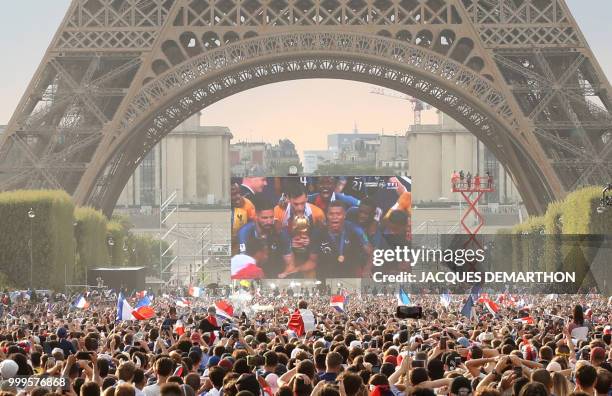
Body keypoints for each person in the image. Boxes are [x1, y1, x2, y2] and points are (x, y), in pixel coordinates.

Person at [303, 201, 373, 278]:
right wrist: (296, 270)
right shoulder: (318, 232)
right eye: (331, 214)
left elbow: (371, 251)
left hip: (349, 276)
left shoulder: (355, 229)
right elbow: (312, 261)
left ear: (344, 215)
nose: (334, 217)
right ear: (327, 215)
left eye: (338, 214)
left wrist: (367, 268)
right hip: (327, 277)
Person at [237, 195, 294, 278]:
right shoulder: (245, 232)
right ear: (255, 216)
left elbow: (290, 264)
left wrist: (283, 275)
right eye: (264, 218)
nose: (269, 221)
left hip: (275, 275)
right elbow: (243, 264)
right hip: (253, 276)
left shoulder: (280, 231)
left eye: (271, 217)